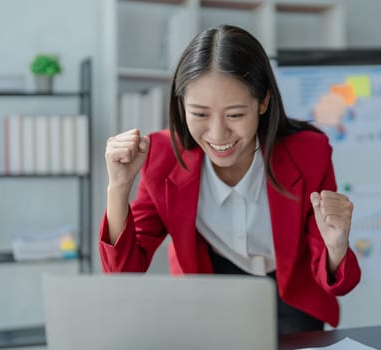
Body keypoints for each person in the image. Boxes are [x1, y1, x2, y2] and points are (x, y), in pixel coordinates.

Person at [99, 24, 361, 334]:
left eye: (235, 114)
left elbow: (335, 281)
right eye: (199, 114)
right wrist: (118, 187)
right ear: (181, 104)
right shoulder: (162, 156)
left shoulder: (308, 152)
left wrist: (336, 246)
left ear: (263, 102)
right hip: (210, 292)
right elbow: (123, 271)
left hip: (292, 295)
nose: (217, 134)